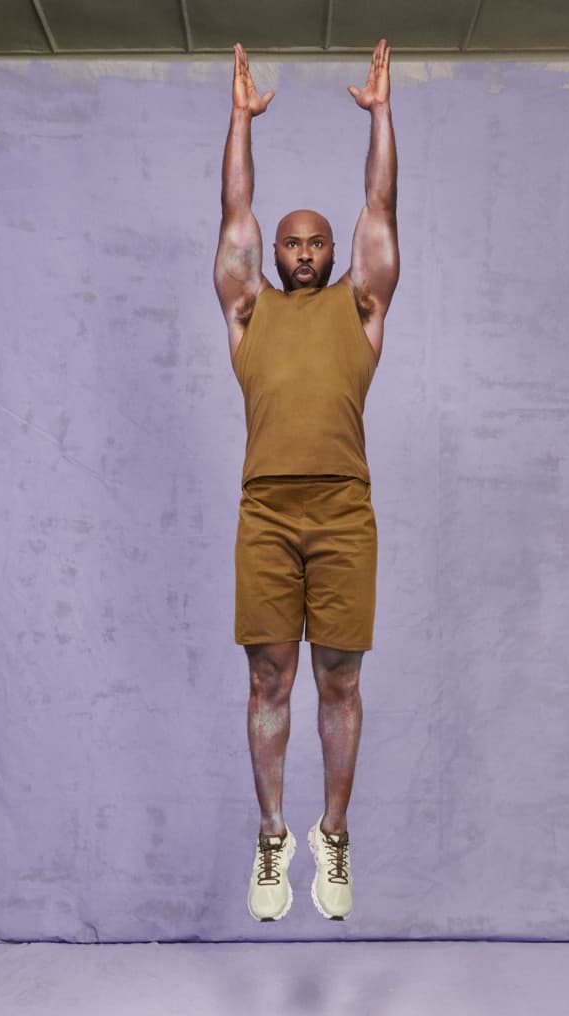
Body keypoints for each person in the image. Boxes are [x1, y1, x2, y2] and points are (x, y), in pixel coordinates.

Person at [213, 39, 399, 921]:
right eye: (290, 243)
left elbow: (380, 207)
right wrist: (240, 120)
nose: (300, 252)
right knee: (267, 682)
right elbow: (235, 212)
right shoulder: (247, 309)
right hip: (266, 514)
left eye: (314, 242)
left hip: (343, 513)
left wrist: (381, 116)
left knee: (341, 681)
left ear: (332, 253)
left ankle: (334, 834)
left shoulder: (361, 307)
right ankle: (271, 834)